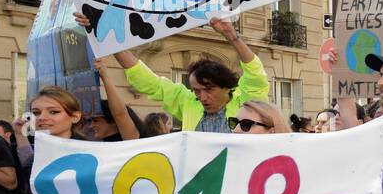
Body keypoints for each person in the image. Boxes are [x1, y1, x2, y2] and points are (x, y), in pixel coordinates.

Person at [74, 14, 270, 132]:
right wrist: (108, 39)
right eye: (196, 90)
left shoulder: (246, 101)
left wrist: (231, 36)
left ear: (227, 87)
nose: (202, 96)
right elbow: (148, 81)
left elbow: (255, 73)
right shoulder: (187, 102)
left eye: (208, 89)